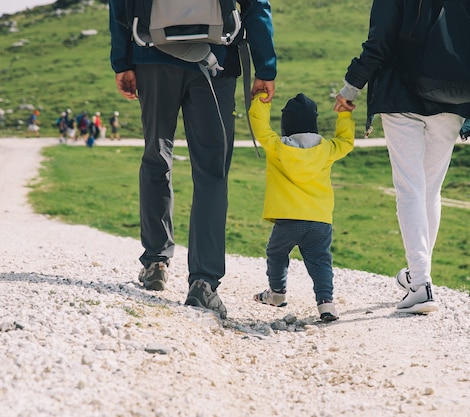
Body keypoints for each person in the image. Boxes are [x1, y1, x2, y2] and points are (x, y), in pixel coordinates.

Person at [334, 0, 470, 314]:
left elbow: (381, 40)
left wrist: (351, 87)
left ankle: (420, 282)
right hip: (456, 97)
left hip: (400, 95)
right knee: (430, 190)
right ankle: (418, 276)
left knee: (410, 188)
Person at [109, 0, 277, 319]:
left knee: (157, 156)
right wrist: (265, 66)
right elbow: (257, 4)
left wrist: (122, 60)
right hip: (217, 59)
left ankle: (156, 261)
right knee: (211, 172)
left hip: (151, 53)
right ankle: (204, 283)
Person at [248, 92, 355, 322]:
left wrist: (261, 100)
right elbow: (346, 142)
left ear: (287, 125)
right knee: (320, 261)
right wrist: (344, 114)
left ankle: (277, 293)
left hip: (288, 219)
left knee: (276, 253)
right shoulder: (326, 149)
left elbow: (259, 127)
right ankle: (326, 303)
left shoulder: (277, 147)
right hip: (319, 219)